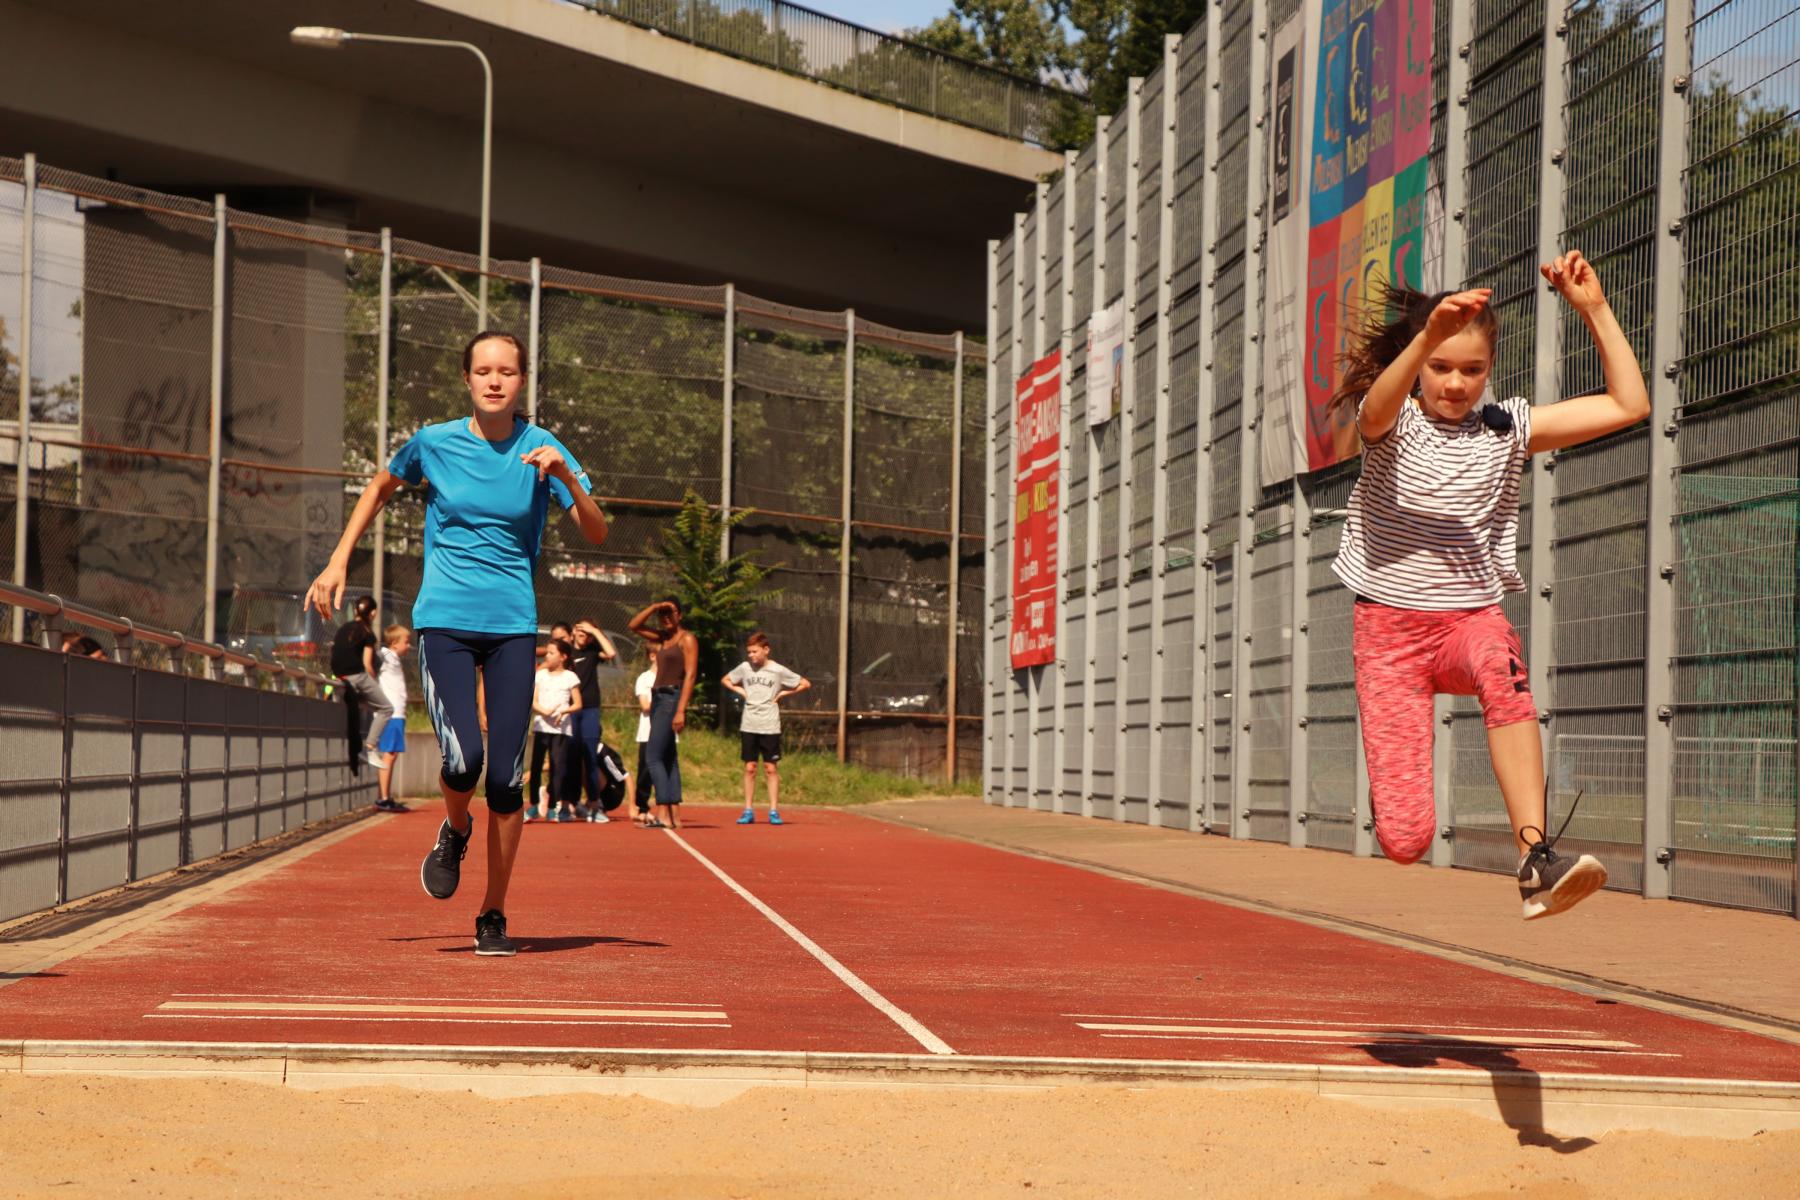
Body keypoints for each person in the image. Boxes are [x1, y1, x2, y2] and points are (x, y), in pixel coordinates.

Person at [1331, 251, 1648, 920]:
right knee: (1406, 840)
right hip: (1389, 636)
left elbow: (1630, 404)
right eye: (1440, 367)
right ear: (1420, 363)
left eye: (1471, 370)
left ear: (1490, 369)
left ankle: (1536, 860)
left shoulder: (1507, 429)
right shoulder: (1391, 422)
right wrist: (1427, 334)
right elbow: (1377, 406)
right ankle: (1401, 808)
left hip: (1468, 620)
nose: (1455, 383)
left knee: (1502, 666)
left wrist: (1593, 309)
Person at [306, 329, 608, 956]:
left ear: (522, 381)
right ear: (467, 379)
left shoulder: (543, 448)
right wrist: (338, 561)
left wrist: (567, 480)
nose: (495, 381)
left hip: (512, 627)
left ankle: (492, 913)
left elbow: (597, 531)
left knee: (507, 781)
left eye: (507, 371)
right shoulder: (434, 443)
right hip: (444, 621)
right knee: (464, 760)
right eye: (484, 371)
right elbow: (379, 488)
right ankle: (455, 827)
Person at [722, 632, 810, 825]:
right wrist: (741, 691)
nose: (751, 655)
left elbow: (804, 683)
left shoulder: (777, 670)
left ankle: (773, 811)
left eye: (754, 651)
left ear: (766, 650)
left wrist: (783, 694)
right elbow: (726, 680)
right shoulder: (745, 668)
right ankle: (748, 810)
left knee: (770, 768)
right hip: (749, 724)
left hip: (769, 725)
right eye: (749, 652)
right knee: (750, 768)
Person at [627, 597, 696, 831]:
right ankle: (674, 816)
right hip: (658, 698)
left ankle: (664, 813)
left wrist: (681, 710)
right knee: (668, 758)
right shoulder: (663, 638)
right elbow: (634, 625)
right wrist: (655, 607)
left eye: (671, 613)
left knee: (653, 757)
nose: (666, 618)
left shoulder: (687, 639)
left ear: (680, 615)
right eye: (663, 615)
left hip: (671, 698)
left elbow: (690, 675)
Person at [329, 596, 393, 770]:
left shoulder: (343, 628)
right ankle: (370, 748)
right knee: (386, 708)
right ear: (373, 613)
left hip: (339, 677)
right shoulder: (367, 633)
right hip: (357, 676)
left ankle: (360, 743)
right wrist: (375, 682)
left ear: (355, 610)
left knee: (363, 704)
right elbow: (367, 664)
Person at [565, 619, 619, 822]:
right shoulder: (566, 651)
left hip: (589, 709)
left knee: (590, 755)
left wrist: (594, 631)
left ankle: (595, 803)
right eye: (581, 630)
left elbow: (611, 653)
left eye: (587, 633)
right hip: (569, 709)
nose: (583, 634)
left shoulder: (593, 652)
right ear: (573, 631)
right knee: (571, 756)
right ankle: (571, 803)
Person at [526, 637, 583, 822]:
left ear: (563, 657)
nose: (547, 656)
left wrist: (564, 712)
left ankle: (552, 807)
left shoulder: (570, 677)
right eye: (547, 652)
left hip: (561, 729)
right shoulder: (541, 675)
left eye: (551, 653)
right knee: (536, 765)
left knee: (557, 767)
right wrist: (544, 711)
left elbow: (578, 704)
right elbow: (533, 700)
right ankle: (533, 806)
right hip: (542, 726)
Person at [374, 624, 413, 813]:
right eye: (406, 641)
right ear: (395, 643)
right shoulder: (386, 655)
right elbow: (370, 659)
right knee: (389, 754)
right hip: (391, 714)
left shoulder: (394, 659)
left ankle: (386, 796)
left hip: (397, 714)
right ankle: (383, 798)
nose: (409, 645)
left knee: (392, 754)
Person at [632, 646, 658, 826]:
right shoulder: (644, 678)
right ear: (652, 656)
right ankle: (642, 807)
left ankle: (665, 806)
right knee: (645, 771)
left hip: (666, 732)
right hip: (648, 732)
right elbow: (645, 705)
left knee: (665, 770)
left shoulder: (671, 678)